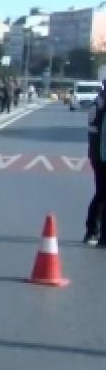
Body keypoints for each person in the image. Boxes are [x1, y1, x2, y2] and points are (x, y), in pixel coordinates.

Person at [85, 80, 106, 246]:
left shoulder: (98, 101)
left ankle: (93, 230)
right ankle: (97, 232)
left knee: (101, 193)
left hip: (97, 153)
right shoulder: (102, 104)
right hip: (102, 155)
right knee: (103, 194)